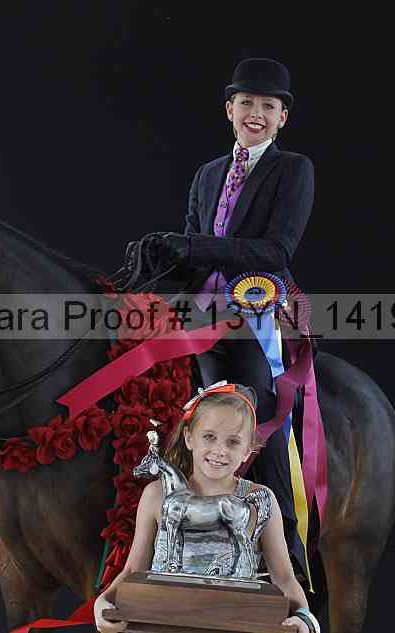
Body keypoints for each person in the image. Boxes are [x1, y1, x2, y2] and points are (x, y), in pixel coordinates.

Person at [149, 57, 316, 582]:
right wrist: (161, 263)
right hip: (201, 312)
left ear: (282, 117)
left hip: (254, 311)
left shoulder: (293, 170)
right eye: (247, 103)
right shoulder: (207, 175)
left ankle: (285, 553)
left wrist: (195, 246)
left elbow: (276, 250)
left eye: (268, 105)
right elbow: (191, 249)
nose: (256, 113)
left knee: (259, 413)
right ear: (229, 109)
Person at [93, 382, 320, 633]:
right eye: (209, 437)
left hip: (231, 624)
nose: (220, 450)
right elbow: (133, 569)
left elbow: (284, 577)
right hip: (161, 622)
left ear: (248, 450)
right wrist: (103, 602)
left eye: (233, 442)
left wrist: (304, 617)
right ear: (189, 437)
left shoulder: (259, 499)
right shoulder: (156, 495)